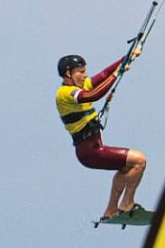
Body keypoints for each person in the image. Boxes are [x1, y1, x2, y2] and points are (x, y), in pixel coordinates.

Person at [55, 50, 150, 223]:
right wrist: (116, 74)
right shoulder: (65, 93)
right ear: (68, 74)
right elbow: (93, 95)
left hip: (94, 149)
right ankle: (127, 204)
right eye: (81, 72)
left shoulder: (80, 85)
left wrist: (127, 57)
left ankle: (111, 210)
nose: (85, 75)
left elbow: (104, 74)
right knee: (139, 160)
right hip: (89, 152)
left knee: (127, 168)